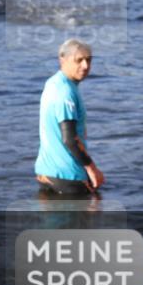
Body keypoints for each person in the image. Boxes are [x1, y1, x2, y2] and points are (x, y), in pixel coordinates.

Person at [35, 39, 105, 196]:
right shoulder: (65, 92)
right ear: (63, 60)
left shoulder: (53, 83)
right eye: (79, 60)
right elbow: (70, 139)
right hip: (69, 177)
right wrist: (92, 169)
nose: (85, 66)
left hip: (46, 174)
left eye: (88, 60)